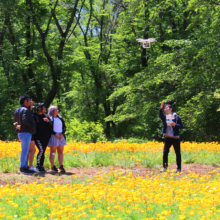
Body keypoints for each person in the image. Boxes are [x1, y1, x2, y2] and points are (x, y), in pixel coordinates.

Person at [14, 95, 36, 175]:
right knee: (25, 151)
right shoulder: (25, 110)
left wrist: (18, 125)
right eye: (29, 100)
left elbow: (16, 122)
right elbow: (24, 120)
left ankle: (25, 167)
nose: (30, 102)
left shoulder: (17, 110)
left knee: (25, 151)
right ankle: (23, 168)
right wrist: (32, 126)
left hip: (20, 132)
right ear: (25, 101)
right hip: (26, 132)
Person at [159, 102, 183, 173]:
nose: (165, 109)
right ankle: (164, 167)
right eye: (165, 108)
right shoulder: (165, 116)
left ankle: (179, 168)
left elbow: (181, 126)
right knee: (165, 152)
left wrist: (175, 124)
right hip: (167, 137)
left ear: (171, 109)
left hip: (175, 138)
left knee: (177, 153)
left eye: (167, 108)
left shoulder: (177, 117)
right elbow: (160, 115)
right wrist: (161, 108)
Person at [47, 106, 66, 173]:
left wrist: (62, 134)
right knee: (53, 152)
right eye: (56, 109)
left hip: (61, 136)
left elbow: (64, 127)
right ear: (52, 111)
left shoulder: (60, 118)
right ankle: (52, 166)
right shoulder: (49, 118)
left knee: (60, 152)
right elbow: (49, 128)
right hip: (54, 136)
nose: (58, 110)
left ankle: (61, 166)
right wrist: (56, 134)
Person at [34, 103, 52, 172]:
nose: (45, 109)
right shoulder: (34, 116)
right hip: (38, 137)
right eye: (43, 107)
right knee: (41, 150)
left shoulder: (46, 116)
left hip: (46, 137)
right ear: (39, 108)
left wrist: (48, 122)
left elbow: (51, 127)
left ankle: (41, 165)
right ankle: (38, 165)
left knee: (43, 151)